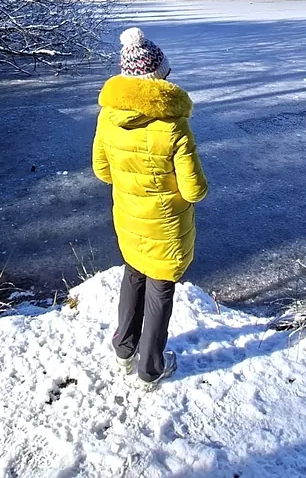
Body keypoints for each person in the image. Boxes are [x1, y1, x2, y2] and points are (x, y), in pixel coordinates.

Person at [92, 26, 207, 388]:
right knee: (160, 287)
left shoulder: (108, 116)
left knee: (133, 274)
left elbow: (102, 170)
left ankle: (124, 348)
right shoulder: (174, 126)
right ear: (159, 78)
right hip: (166, 225)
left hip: (129, 216)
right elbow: (194, 190)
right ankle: (150, 368)